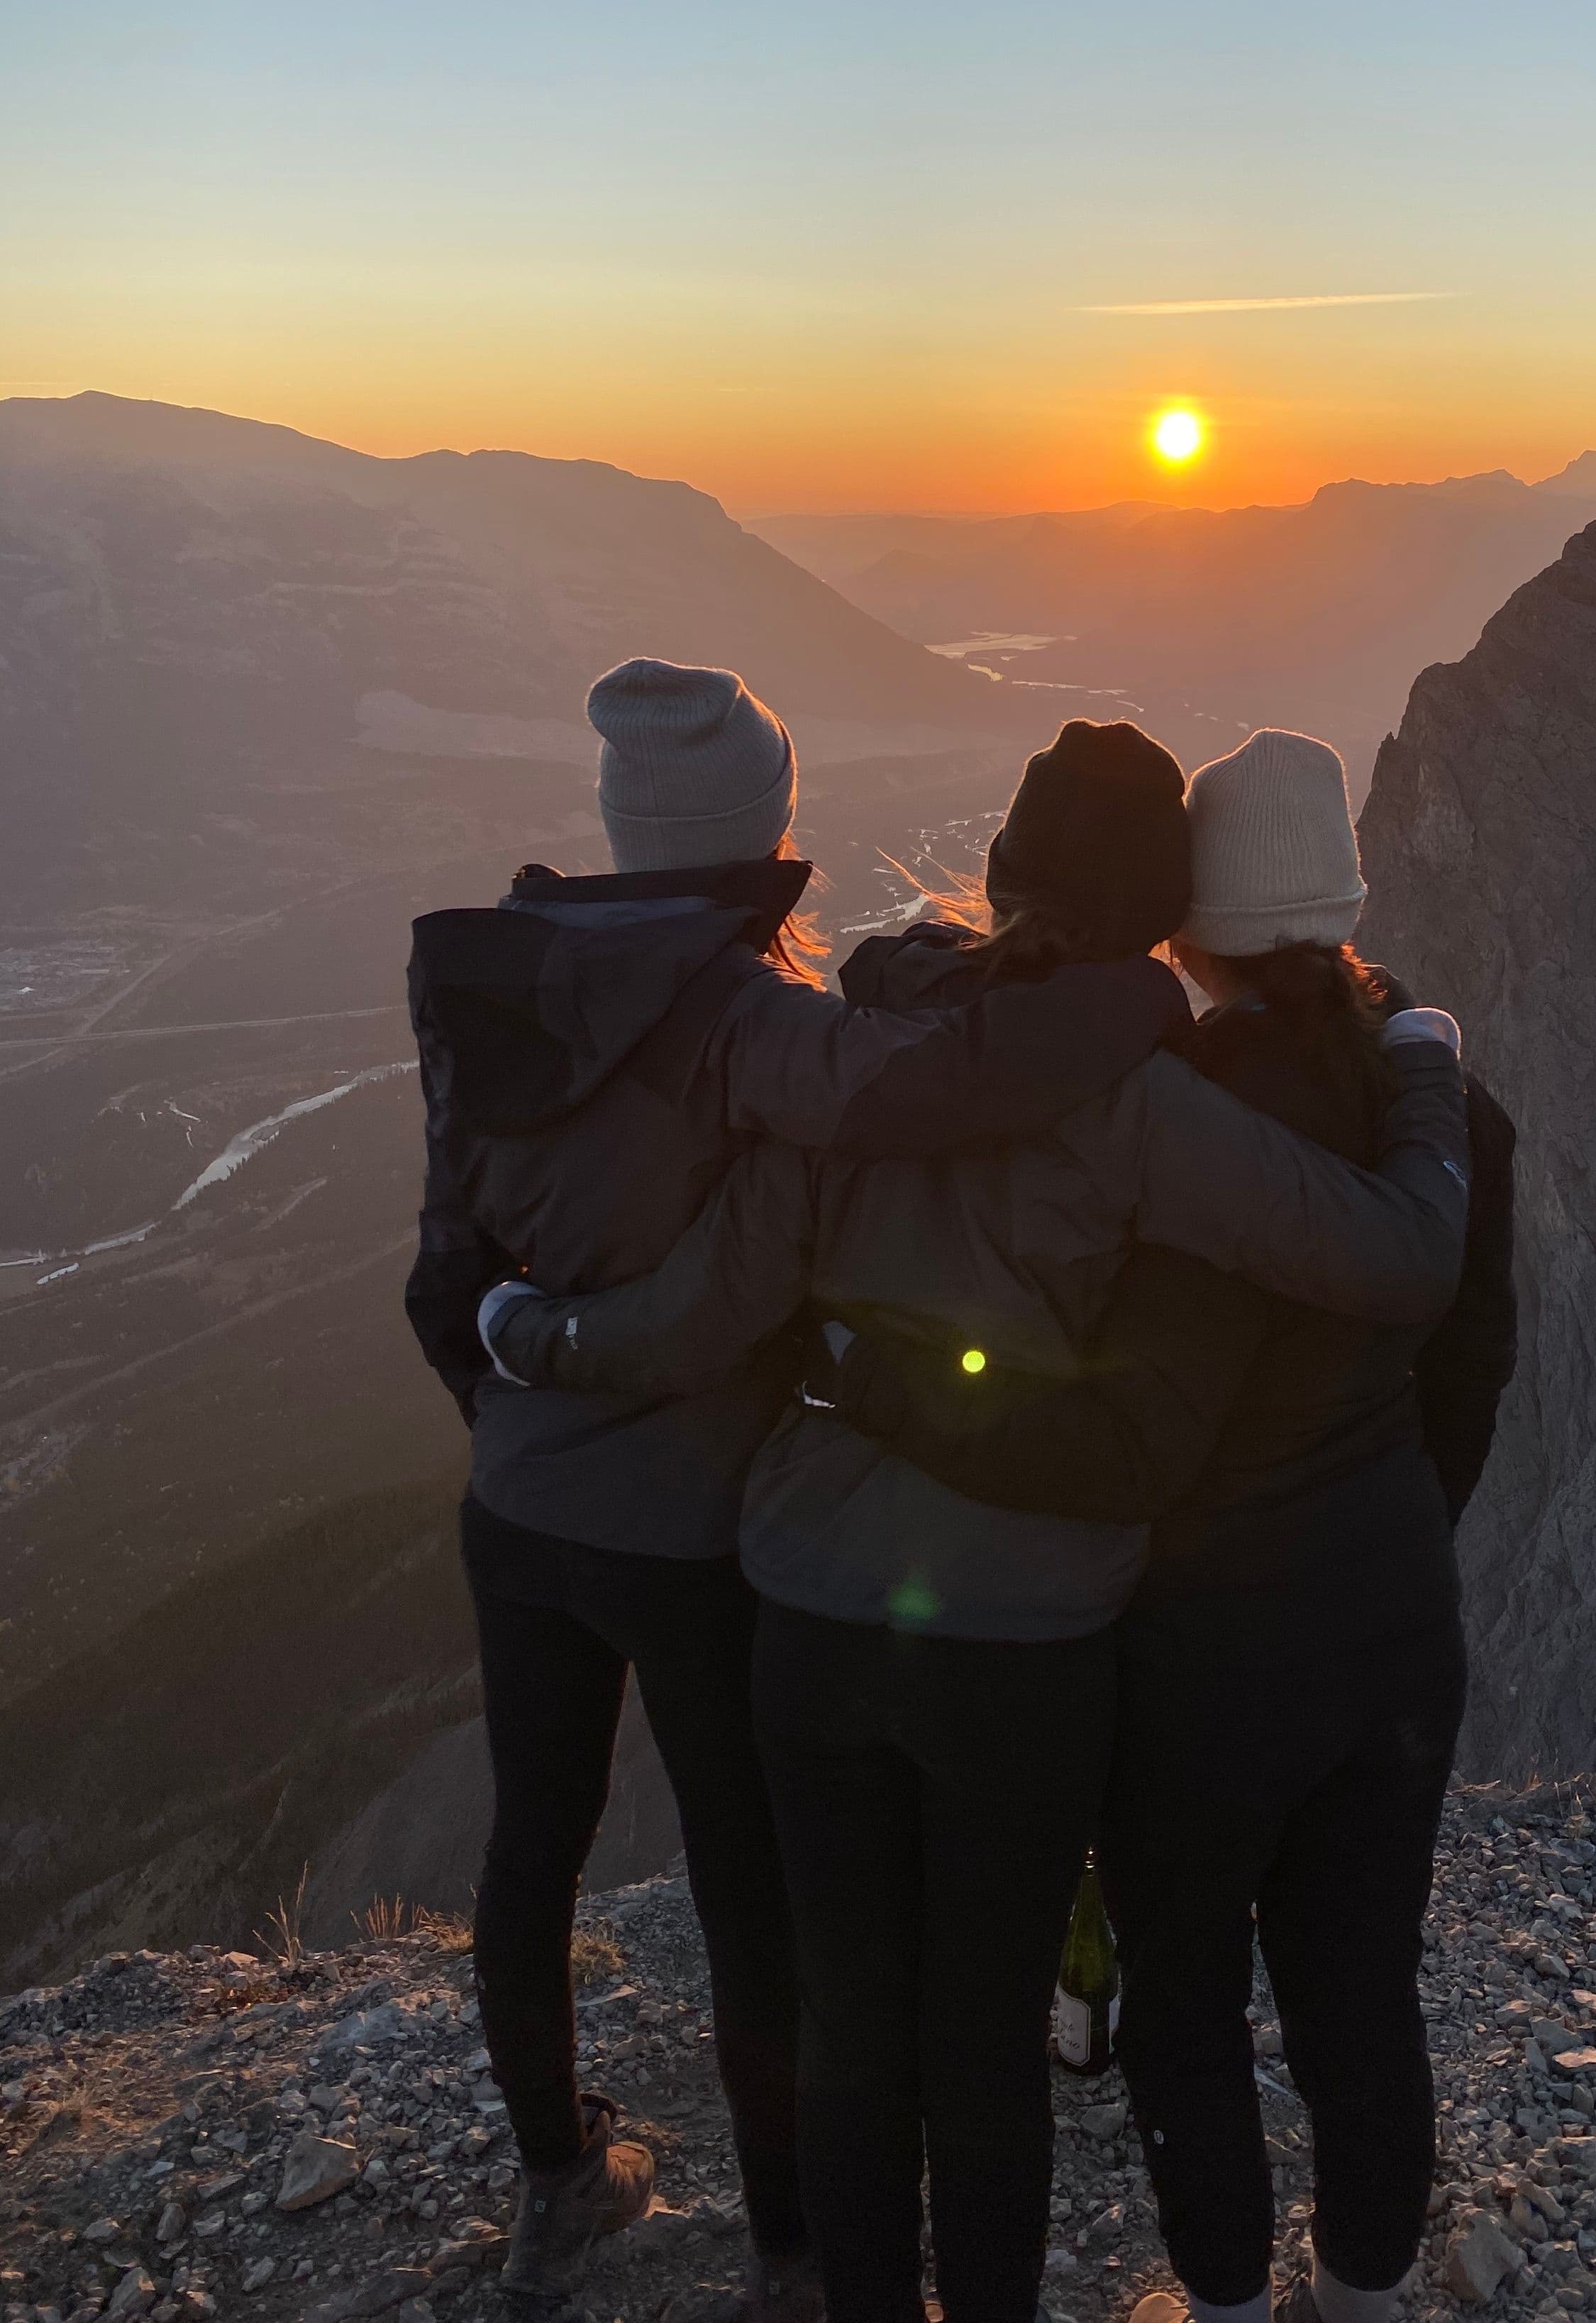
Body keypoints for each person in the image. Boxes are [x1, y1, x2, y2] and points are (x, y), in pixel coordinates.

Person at [480, 717, 1473, 2323]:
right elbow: (1393, 1261)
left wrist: (529, 1335)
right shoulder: (1149, 1110)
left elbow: (707, 1312)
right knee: (986, 2047)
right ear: (1166, 920)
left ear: (1002, 869)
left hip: (810, 1620)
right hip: (1022, 1649)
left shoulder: (851, 1058)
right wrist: (1422, 1067)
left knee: (858, 2031)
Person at [404, 663, 1199, 2319]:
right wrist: (1138, 995)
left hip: (519, 1498)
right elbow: (933, 1098)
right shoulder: (746, 1018)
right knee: (751, 1903)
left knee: (529, 1848)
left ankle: (560, 2183)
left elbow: (448, 1263)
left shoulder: (496, 974)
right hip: (694, 1524)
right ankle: (786, 2248)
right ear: (757, 823)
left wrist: (511, 1360)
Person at [799, 729, 1519, 2323]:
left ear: (1191, 928)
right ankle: (1369, 2295)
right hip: (1395, 1620)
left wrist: (891, 1388)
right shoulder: (1448, 1112)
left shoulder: (1175, 1116)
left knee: (1188, 2001)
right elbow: (1470, 1365)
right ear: (1338, 904)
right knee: (1362, 1989)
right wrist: (1400, 1535)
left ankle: (1235, 2307)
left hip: (1205, 1654)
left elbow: (1135, 1429)